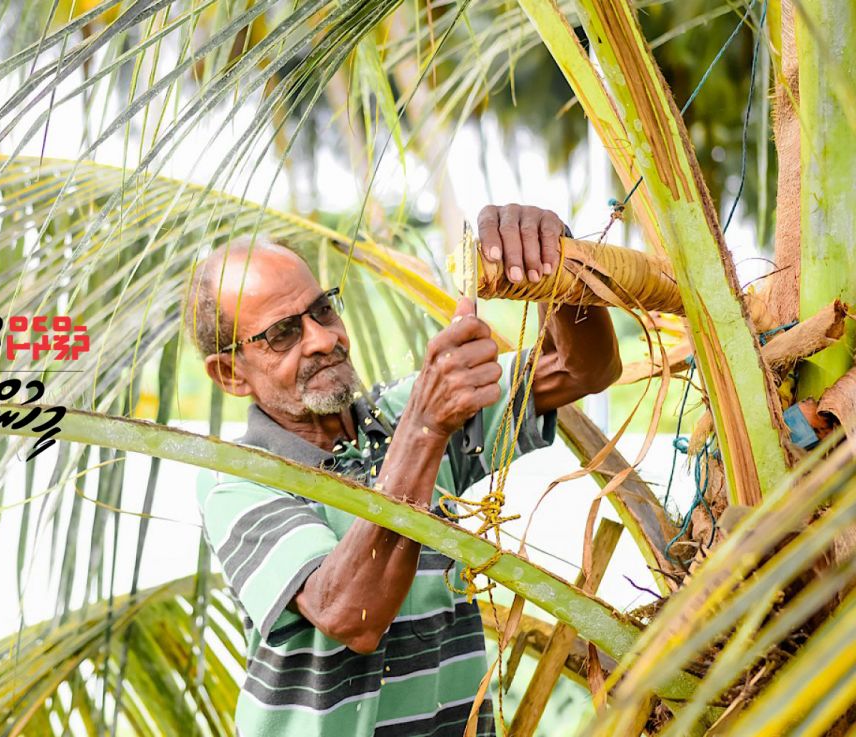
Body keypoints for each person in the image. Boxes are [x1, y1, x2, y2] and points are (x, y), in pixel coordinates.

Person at [185, 205, 621, 737]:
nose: (322, 338)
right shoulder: (239, 478)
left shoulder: (408, 413)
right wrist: (425, 428)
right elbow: (351, 615)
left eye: (322, 309)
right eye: (281, 334)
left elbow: (587, 369)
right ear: (230, 373)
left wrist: (558, 265)